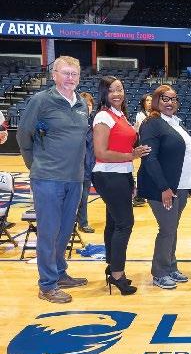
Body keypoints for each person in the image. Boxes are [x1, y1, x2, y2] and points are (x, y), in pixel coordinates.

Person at [16, 55, 89, 304]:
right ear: (54, 75)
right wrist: (36, 165)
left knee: (65, 230)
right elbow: (24, 135)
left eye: (74, 74)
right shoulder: (41, 100)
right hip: (47, 178)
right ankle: (47, 285)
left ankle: (59, 272)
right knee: (48, 232)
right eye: (65, 73)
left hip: (75, 178)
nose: (70, 78)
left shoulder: (81, 103)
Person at [92, 76, 150, 296]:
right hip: (108, 175)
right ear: (104, 93)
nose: (117, 94)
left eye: (120, 89)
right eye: (112, 90)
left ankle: (112, 267)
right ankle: (117, 275)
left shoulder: (120, 115)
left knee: (114, 223)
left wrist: (132, 154)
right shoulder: (103, 116)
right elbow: (101, 152)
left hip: (122, 174)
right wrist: (131, 155)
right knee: (125, 224)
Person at [137, 85, 191, 290]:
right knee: (167, 229)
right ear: (156, 101)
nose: (170, 103)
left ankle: (170, 266)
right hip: (162, 188)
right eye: (165, 99)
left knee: (172, 229)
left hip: (181, 186)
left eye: (173, 99)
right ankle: (160, 273)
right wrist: (164, 187)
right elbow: (150, 158)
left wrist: (187, 185)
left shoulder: (176, 123)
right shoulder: (152, 123)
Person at [76, 92, 95, 234]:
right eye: (84, 104)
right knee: (76, 196)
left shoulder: (96, 122)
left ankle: (82, 222)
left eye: (89, 104)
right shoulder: (74, 121)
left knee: (84, 196)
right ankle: (78, 222)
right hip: (75, 165)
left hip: (89, 164)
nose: (87, 107)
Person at [132, 93, 152, 207]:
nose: (149, 102)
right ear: (143, 103)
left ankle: (143, 194)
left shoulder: (155, 114)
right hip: (145, 145)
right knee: (144, 169)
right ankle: (138, 195)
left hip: (152, 145)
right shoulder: (140, 115)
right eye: (147, 100)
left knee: (148, 169)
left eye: (151, 100)